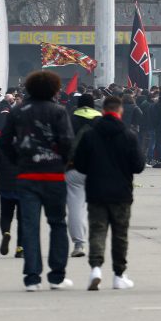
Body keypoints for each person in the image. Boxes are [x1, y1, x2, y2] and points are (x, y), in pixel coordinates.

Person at [0, 70, 75, 291]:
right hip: (53, 175)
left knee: (30, 227)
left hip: (27, 175)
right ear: (54, 89)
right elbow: (68, 142)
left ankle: (32, 277)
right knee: (57, 223)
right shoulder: (59, 111)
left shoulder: (18, 111)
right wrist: (62, 162)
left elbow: (3, 142)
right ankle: (57, 276)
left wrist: (18, 161)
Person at [72, 96, 145, 291]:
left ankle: (95, 268)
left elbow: (79, 164)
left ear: (103, 110)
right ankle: (119, 274)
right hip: (121, 192)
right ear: (120, 111)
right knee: (120, 234)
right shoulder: (129, 135)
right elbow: (138, 166)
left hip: (96, 190)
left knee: (97, 231)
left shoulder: (90, 135)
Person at [67, 94, 101, 258]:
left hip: (74, 169)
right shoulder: (101, 120)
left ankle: (79, 243)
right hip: (98, 169)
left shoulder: (70, 119)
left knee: (75, 207)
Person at [0, 146, 23, 258]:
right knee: (23, 219)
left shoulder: (3, 149)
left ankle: (6, 232)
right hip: (23, 188)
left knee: (5, 215)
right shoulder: (27, 148)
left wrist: (3, 174)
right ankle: (20, 248)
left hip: (5, 187)